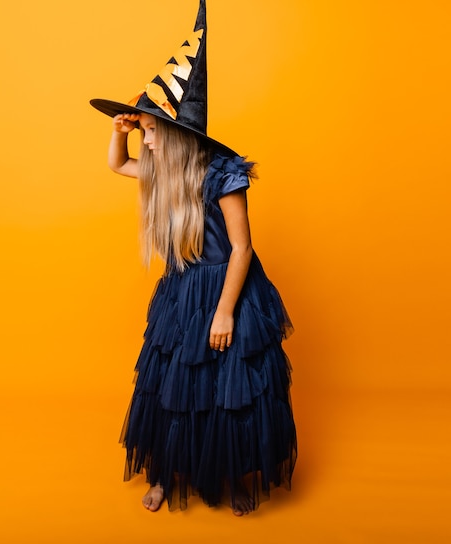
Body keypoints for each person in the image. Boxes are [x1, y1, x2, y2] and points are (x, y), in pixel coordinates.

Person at [90, 0, 296, 516]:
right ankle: (164, 472)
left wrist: (226, 310)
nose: (147, 141)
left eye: (152, 132)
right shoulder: (163, 170)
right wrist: (119, 133)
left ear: (180, 136)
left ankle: (233, 477)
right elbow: (118, 168)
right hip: (182, 290)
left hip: (228, 288)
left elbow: (242, 248)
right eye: (143, 134)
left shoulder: (223, 174)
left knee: (232, 389)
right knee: (172, 383)